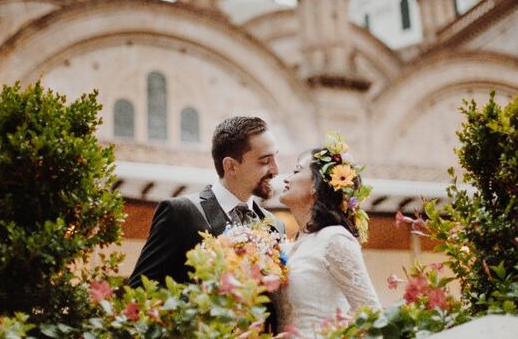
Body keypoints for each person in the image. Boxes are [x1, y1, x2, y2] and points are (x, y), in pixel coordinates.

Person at [127, 115, 285, 287]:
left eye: (276, 158)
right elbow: (140, 288)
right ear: (231, 166)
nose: (276, 170)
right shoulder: (179, 213)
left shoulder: (275, 226)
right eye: (264, 162)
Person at [276, 139, 381, 337]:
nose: (286, 178)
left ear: (316, 184)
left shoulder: (334, 239)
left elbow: (371, 313)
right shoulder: (290, 246)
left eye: (297, 171)